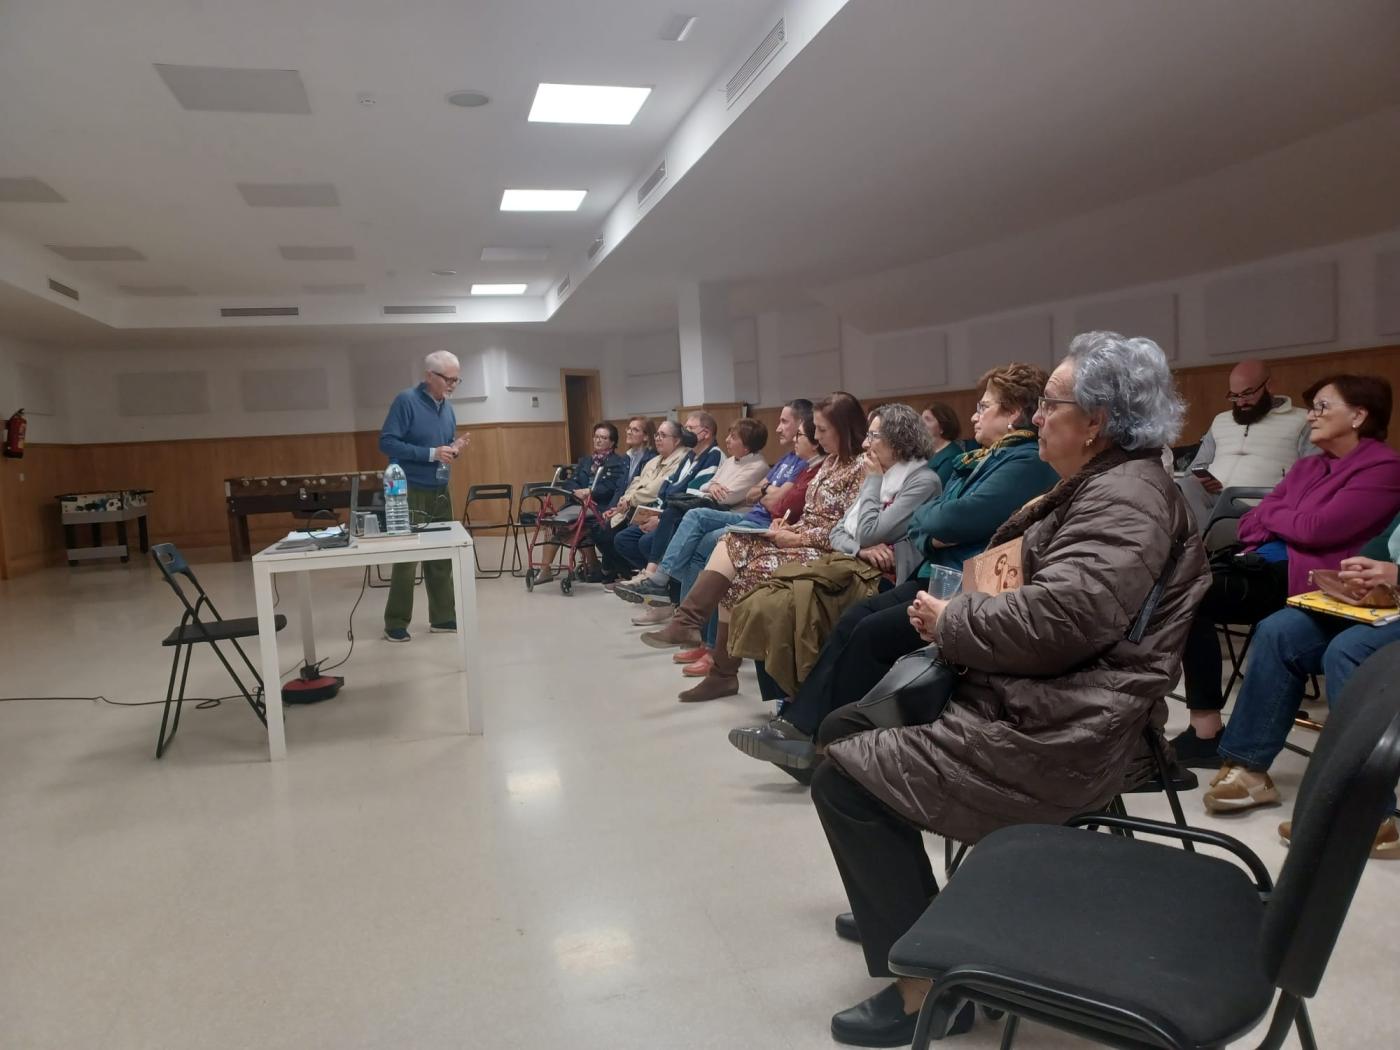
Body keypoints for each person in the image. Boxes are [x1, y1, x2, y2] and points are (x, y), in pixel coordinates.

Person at [806, 332, 1208, 1047]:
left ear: (1097, 423)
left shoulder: (1126, 499)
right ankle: (902, 911)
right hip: (1046, 698)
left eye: (1048, 406)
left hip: (1063, 729)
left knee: (844, 777)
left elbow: (1065, 619)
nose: (1033, 419)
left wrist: (955, 619)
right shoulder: (1113, 482)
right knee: (845, 728)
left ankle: (930, 989)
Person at [729, 364, 1058, 772]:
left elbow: (938, 520)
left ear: (1011, 414)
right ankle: (800, 730)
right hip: (934, 573)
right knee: (852, 619)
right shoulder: (981, 459)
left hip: (964, 588)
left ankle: (823, 744)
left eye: (984, 406)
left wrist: (928, 526)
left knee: (867, 631)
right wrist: (930, 529)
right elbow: (925, 524)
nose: (975, 415)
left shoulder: (1024, 462)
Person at [1173, 374, 1400, 767]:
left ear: (1359, 415)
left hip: (1311, 578)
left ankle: (1211, 732)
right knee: (1185, 592)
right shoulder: (1309, 468)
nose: (1311, 416)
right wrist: (1289, 518)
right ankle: (1212, 732)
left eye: (1322, 407)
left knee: (1198, 594)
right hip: (1264, 563)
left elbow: (1318, 528)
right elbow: (1249, 524)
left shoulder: (1384, 468)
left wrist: (1280, 516)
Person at [638, 392, 868, 701]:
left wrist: (799, 537)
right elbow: (811, 514)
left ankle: (720, 670)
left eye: (824, 430)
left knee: (746, 573)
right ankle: (689, 624)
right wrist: (789, 527)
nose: (819, 437)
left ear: (844, 428)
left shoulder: (862, 469)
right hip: (800, 537)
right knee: (730, 540)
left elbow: (850, 530)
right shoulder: (830, 462)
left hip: (827, 551)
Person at [1199, 508, 1400, 856]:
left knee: (1347, 651)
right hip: (1386, 604)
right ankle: (1249, 769)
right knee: (1280, 630)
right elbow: (1385, 543)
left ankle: (1370, 816)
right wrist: (1360, 569)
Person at [726, 403, 940, 700]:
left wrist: (873, 483)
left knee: (786, 605)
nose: (866, 443)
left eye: (874, 436)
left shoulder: (921, 481)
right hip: (851, 560)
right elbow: (840, 532)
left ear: (898, 439)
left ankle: (799, 696)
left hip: (883, 574)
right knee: (764, 599)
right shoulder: (881, 475)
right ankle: (786, 695)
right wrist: (859, 548)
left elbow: (870, 531)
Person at [616, 401, 812, 606]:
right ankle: (673, 601)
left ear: (746, 444)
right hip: (735, 512)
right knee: (667, 526)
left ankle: (667, 591)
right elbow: (711, 487)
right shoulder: (759, 460)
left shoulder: (757, 464)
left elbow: (743, 497)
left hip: (749, 517)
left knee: (690, 527)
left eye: (733, 437)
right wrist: (755, 490)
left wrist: (761, 489)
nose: (727, 440)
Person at [379, 350, 470, 642]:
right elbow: (388, 442)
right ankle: (395, 622)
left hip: (440, 489)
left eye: (457, 379)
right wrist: (431, 453)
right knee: (406, 559)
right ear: (430, 376)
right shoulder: (406, 401)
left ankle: (443, 618)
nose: (453, 385)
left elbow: (441, 447)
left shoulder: (447, 407)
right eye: (449, 379)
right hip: (409, 489)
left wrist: (452, 447)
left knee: (442, 555)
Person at [1180, 358, 1312, 530]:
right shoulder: (1221, 420)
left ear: (1269, 386)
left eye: (1247, 394)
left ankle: (1204, 547)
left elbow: (1312, 473)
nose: (1240, 402)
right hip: (1212, 498)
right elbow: (1195, 468)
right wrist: (1201, 478)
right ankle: (1206, 545)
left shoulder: (1302, 420)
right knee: (1184, 486)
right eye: (1234, 396)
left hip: (1259, 502)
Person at [612, 412, 721, 578]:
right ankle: (655, 579)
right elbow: (667, 487)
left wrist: (660, 518)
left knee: (645, 542)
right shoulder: (691, 455)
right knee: (623, 539)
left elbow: (691, 496)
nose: (686, 433)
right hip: (667, 511)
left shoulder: (714, 454)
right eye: (685, 428)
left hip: (683, 516)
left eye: (690, 428)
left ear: (705, 433)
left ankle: (657, 579)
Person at [594, 420, 687, 584]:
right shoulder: (651, 460)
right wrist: (622, 502)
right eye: (657, 435)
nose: (658, 438)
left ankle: (652, 578)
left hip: (661, 511)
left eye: (663, 435)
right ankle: (643, 575)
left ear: (677, 440)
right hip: (635, 508)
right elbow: (634, 483)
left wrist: (628, 501)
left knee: (621, 537)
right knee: (611, 534)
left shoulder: (681, 460)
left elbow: (655, 489)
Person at [921, 401, 975, 487]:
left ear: (942, 427)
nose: (921, 424)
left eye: (927, 419)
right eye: (921, 420)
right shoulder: (923, 452)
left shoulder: (952, 455)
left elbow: (937, 489)